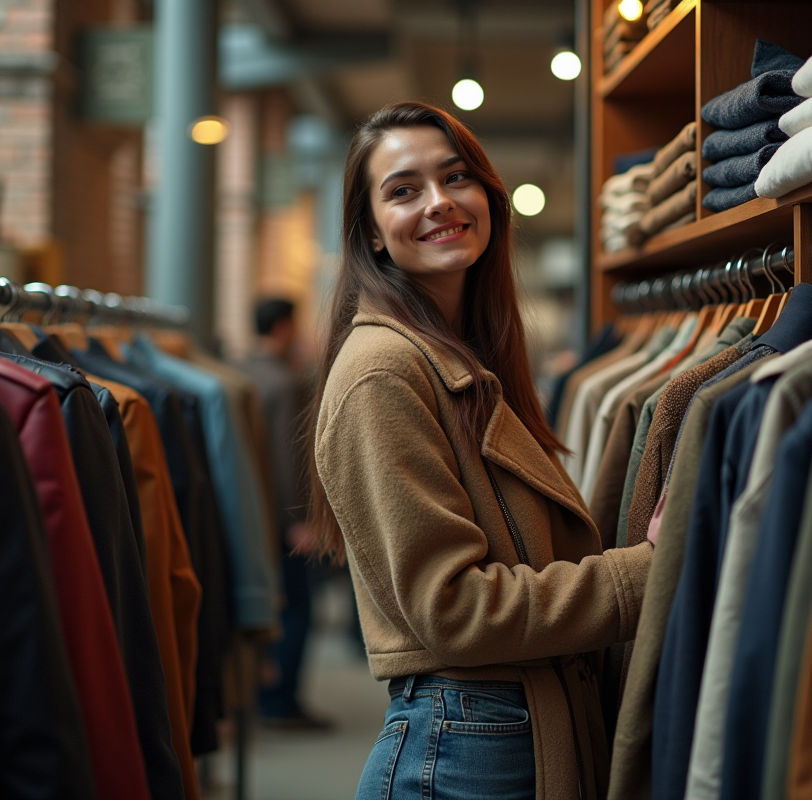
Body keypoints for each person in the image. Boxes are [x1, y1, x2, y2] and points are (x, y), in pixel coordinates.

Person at [306, 101, 654, 800]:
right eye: (403, 190)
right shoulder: (383, 370)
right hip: (468, 747)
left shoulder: (461, 359)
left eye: (456, 177)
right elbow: (455, 608)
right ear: (372, 234)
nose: (439, 203)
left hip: (498, 733)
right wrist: (654, 568)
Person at [237, 298, 329, 730]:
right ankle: (281, 700)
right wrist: (299, 518)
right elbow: (287, 457)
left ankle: (254, 692)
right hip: (280, 518)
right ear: (283, 326)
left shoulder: (236, 371)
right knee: (295, 608)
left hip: (244, 510)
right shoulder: (285, 382)